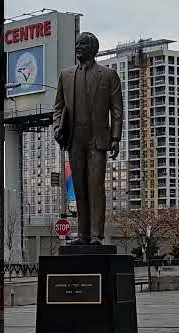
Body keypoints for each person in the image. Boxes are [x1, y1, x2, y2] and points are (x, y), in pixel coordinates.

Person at [53, 32, 123, 245]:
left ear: (93, 48)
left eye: (82, 43)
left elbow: (117, 109)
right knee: (80, 188)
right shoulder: (65, 75)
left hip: (97, 139)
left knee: (95, 187)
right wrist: (57, 127)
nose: (78, 46)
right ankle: (82, 234)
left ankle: (96, 235)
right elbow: (58, 107)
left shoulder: (108, 75)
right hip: (75, 139)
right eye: (77, 43)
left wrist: (115, 138)